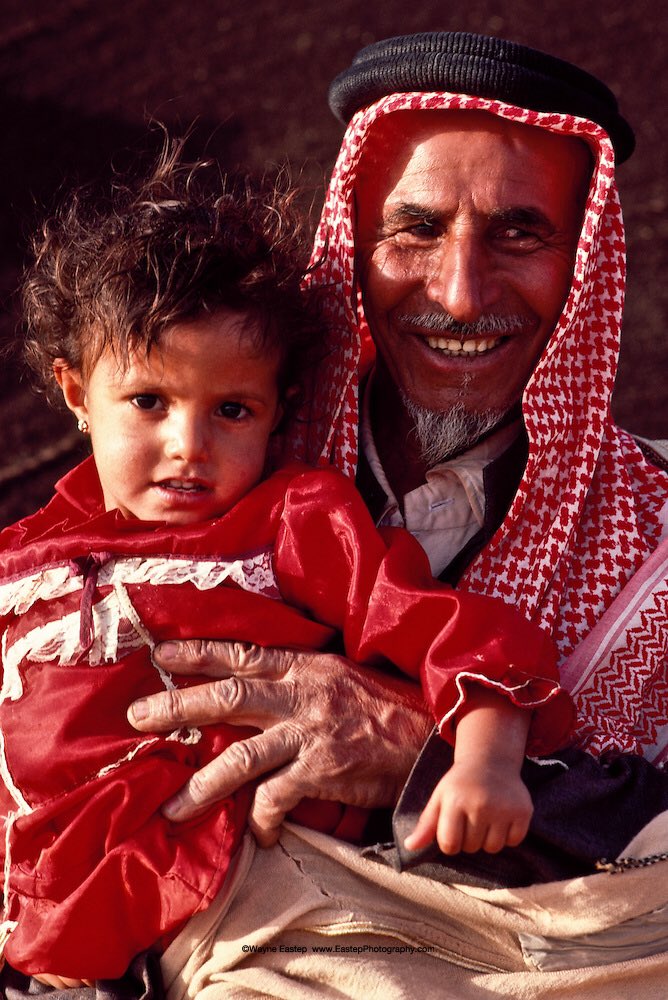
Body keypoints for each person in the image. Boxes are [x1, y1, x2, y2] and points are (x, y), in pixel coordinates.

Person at [124, 33, 668, 998]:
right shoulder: (192, 472)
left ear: (583, 264)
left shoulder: (659, 533)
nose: (460, 294)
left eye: (520, 234)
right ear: (352, 247)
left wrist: (427, 753)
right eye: (414, 230)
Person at [0, 135, 573, 988]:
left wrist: (485, 762)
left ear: (278, 412)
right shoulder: (23, 560)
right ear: (78, 392)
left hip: (256, 880)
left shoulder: (293, 521)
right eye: (148, 403)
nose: (187, 447)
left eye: (231, 409)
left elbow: (450, 631)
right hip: (56, 913)